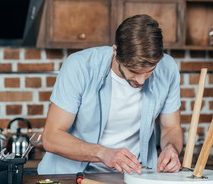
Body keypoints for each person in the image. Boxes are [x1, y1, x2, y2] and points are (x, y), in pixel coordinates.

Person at [38, 14, 183, 175]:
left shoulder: (167, 68)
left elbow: (171, 128)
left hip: (135, 178)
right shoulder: (79, 67)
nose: (141, 81)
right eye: (133, 71)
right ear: (115, 51)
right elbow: (51, 137)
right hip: (72, 179)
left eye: (149, 72)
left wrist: (172, 149)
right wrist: (104, 153)